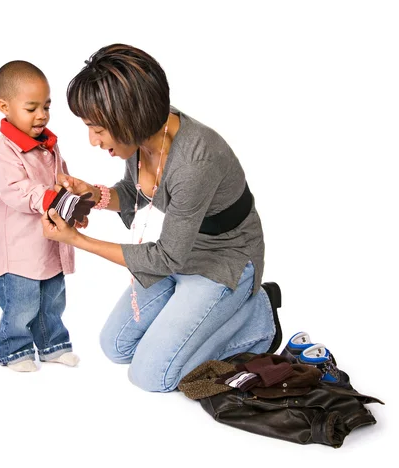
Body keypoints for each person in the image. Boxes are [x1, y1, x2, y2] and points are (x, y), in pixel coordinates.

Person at [41, 44, 282, 391]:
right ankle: (192, 319)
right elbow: (135, 192)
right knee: (117, 347)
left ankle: (258, 315)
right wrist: (91, 195)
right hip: (181, 247)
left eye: (97, 128)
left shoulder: (195, 161)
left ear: (128, 117)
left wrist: (76, 240)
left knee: (152, 375)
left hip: (225, 258)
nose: (93, 140)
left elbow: (167, 257)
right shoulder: (145, 135)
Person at [0, 60, 93, 372]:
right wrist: (51, 199)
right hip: (19, 249)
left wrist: (73, 206)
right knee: (21, 304)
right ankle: (14, 349)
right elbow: (15, 190)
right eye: (31, 108)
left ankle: (53, 345)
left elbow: (63, 179)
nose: (42, 115)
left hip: (50, 242)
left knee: (52, 300)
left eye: (46, 106)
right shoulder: (3, 151)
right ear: (5, 107)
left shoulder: (49, 145)